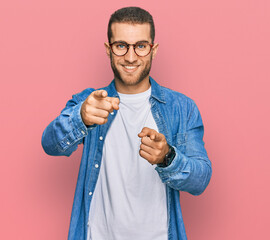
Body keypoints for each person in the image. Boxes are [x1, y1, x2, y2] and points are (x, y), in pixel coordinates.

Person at [41, 6, 212, 240]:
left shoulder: (181, 108)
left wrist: (168, 157)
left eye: (140, 46)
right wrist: (80, 118)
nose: (130, 57)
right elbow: (49, 144)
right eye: (121, 46)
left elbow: (201, 179)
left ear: (154, 50)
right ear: (108, 49)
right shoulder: (90, 102)